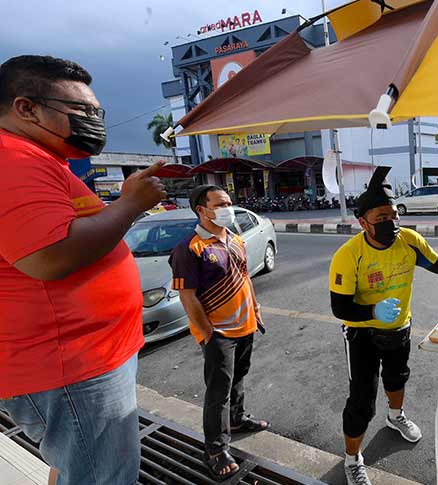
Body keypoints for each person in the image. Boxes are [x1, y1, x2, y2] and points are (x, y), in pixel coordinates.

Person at [0, 55, 166, 484]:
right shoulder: (11, 159)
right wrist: (131, 204)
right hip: (70, 368)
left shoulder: (41, 160)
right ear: (26, 107)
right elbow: (50, 254)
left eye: (98, 112)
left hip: (85, 361)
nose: (94, 120)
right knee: (104, 477)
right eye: (82, 111)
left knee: (78, 467)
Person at [329, 167, 438, 485]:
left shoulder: (408, 240)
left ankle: (396, 417)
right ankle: (352, 459)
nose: (391, 222)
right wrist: (372, 310)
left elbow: (437, 264)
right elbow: (339, 307)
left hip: (399, 329)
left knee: (397, 378)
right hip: (361, 333)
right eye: (381, 217)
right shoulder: (348, 255)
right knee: (362, 401)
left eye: (394, 215)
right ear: (363, 222)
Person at [169, 185, 269, 480]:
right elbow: (188, 296)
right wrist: (208, 334)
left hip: (246, 324)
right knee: (218, 392)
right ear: (203, 209)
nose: (229, 207)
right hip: (219, 333)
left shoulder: (235, 240)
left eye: (229, 201)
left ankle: (236, 419)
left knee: (238, 377)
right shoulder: (189, 248)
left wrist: (256, 308)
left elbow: (244, 278)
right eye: (222, 203)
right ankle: (215, 449)